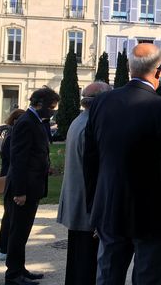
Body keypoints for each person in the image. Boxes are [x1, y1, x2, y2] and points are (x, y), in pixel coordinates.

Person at [83, 43, 161, 285]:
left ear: (129, 68)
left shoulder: (100, 104)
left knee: (107, 277)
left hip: (110, 209)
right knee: (147, 279)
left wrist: (94, 210)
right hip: (152, 215)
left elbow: (90, 160)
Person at [57, 81, 112, 285]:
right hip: (87, 207)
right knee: (87, 265)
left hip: (79, 204)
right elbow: (97, 172)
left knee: (79, 262)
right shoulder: (91, 127)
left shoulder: (80, 121)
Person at [5, 87, 60, 285]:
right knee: (18, 232)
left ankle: (20, 269)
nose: (52, 110)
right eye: (51, 107)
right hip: (23, 188)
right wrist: (19, 192)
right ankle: (13, 275)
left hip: (31, 186)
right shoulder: (27, 122)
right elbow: (19, 159)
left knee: (23, 231)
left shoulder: (35, 121)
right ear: (38, 104)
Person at [0, 109, 26, 262]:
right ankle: (4, 248)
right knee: (9, 215)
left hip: (9, 177)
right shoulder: (12, 136)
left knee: (9, 214)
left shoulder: (11, 134)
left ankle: (5, 247)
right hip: (10, 178)